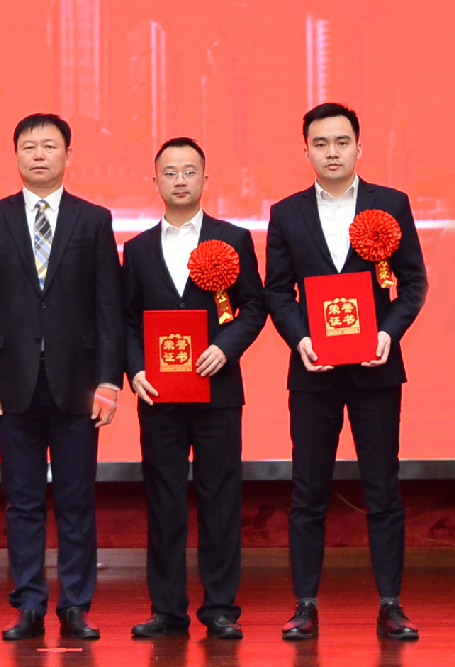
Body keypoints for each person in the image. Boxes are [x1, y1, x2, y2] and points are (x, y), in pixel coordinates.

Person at [263, 102, 428, 641]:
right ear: (306, 150)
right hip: (313, 371)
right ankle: (305, 605)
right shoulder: (286, 213)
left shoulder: (391, 204)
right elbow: (276, 291)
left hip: (376, 369)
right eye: (320, 143)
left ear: (359, 147)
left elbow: (413, 282)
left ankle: (391, 605)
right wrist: (301, 339)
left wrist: (389, 332)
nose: (331, 152)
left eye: (341, 142)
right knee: (307, 492)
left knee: (383, 489)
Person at [0, 113, 123, 641]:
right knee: (22, 501)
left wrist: (109, 381)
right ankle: (29, 604)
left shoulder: (93, 220)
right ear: (15, 155)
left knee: (77, 501)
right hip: (11, 383)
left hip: (78, 383)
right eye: (29, 146)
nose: (38, 154)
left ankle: (75, 605)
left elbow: (108, 307)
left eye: (49, 146)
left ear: (68, 156)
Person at [123, 137, 266, 640]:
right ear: (155, 181)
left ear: (206, 178)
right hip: (159, 395)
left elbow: (254, 306)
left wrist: (225, 348)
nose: (180, 180)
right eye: (170, 172)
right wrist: (135, 369)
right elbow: (127, 321)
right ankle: (167, 609)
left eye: (189, 171)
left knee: (219, 498)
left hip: (217, 391)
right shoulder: (137, 249)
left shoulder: (233, 239)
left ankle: (221, 608)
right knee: (163, 500)